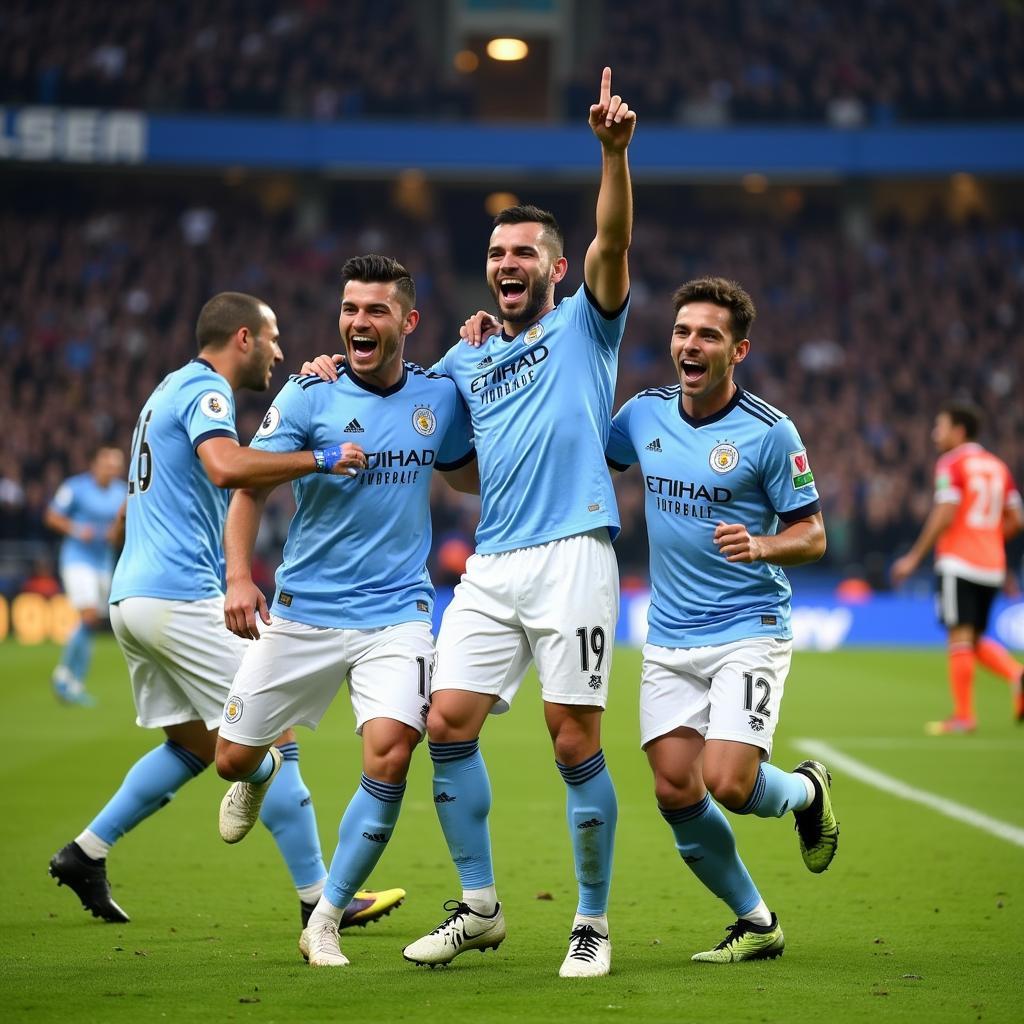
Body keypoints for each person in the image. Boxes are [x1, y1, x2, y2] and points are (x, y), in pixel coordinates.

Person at [48, 291, 404, 936]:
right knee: (274, 734)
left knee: (189, 746)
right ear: (242, 338)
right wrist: (321, 458)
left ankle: (86, 852)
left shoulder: (165, 389)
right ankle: (318, 897)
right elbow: (225, 468)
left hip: (133, 599)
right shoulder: (206, 392)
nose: (279, 350)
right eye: (271, 338)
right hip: (182, 596)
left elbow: (157, 495)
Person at [397, 67, 635, 978]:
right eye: (498, 255)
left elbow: (614, 239)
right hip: (492, 560)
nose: (507, 266)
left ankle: (591, 922)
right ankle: (480, 906)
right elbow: (456, 468)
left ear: (555, 266)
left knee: (573, 737)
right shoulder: (466, 357)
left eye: (524, 254)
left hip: (574, 553)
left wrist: (613, 155)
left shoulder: (586, 326)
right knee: (445, 722)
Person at [213, 256, 476, 968]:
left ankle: (325, 917)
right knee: (230, 758)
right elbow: (245, 488)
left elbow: (463, 468)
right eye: (351, 309)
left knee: (391, 752)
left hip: (397, 613)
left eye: (376, 311)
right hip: (303, 611)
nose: (360, 322)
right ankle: (263, 774)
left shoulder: (439, 397)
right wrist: (240, 576)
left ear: (407, 322)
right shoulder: (307, 394)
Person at [605, 276, 838, 963]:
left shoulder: (770, 433)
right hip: (670, 634)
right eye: (682, 332)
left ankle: (804, 791)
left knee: (730, 783)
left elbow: (814, 534)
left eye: (708, 334)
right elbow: (589, 460)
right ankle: (757, 922)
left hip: (748, 624)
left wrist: (764, 543)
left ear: (738, 350)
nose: (691, 344)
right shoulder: (642, 414)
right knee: (676, 788)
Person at [891, 401, 1024, 732]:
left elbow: (945, 511)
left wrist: (914, 557)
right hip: (991, 564)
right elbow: (1017, 519)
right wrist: (989, 537)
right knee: (974, 639)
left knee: (960, 638)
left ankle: (964, 716)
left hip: (959, 561)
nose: (936, 434)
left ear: (959, 431)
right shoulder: (997, 466)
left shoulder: (951, 463)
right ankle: (1017, 674)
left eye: (941, 426)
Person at [44, 446, 128, 705]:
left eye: (116, 465)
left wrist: (116, 534)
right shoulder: (75, 487)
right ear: (95, 465)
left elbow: (122, 526)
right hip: (77, 560)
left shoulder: (122, 492)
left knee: (90, 623)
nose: (112, 469)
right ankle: (64, 676)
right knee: (89, 615)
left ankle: (74, 681)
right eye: (108, 464)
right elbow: (52, 516)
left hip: (103, 563)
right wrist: (77, 529)